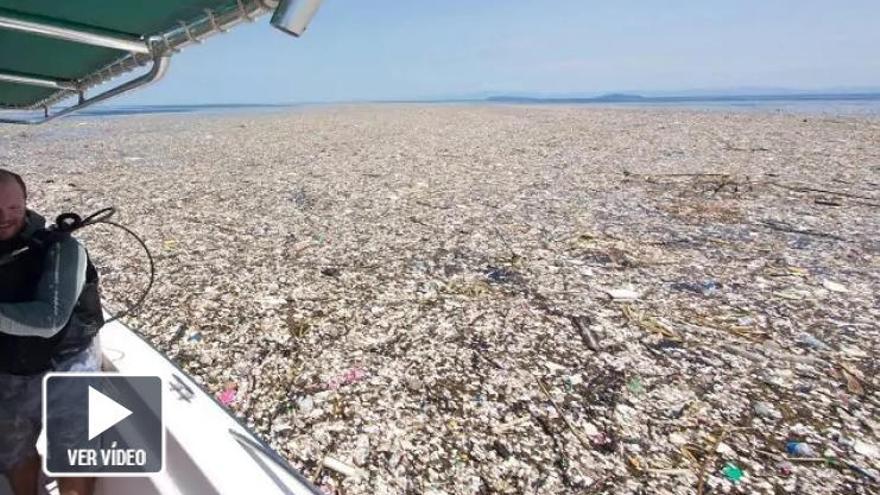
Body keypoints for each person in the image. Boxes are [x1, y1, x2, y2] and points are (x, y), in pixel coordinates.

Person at [0, 169, 104, 495]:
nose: (4, 218)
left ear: (27, 204)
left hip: (68, 359)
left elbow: (50, 320)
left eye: (13, 208)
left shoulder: (63, 249)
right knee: (13, 449)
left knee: (73, 451)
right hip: (12, 363)